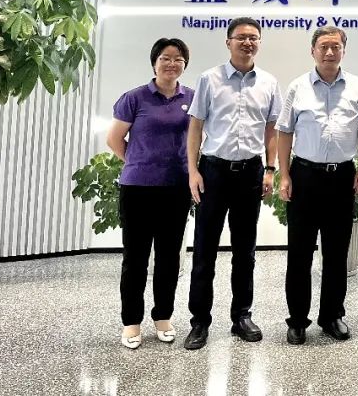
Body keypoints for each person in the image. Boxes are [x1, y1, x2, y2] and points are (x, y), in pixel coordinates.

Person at [183, 17, 280, 351]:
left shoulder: (269, 82)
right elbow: (196, 127)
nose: (247, 43)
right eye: (241, 37)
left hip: (251, 172)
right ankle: (199, 321)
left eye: (253, 38)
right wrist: (193, 170)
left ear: (259, 43)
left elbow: (272, 129)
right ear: (228, 42)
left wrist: (270, 169)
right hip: (213, 171)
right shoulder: (209, 79)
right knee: (204, 249)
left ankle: (241, 316)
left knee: (245, 251)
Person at [277, 26, 358, 345]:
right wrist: (284, 175)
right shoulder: (298, 87)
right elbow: (284, 131)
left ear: (344, 50)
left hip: (342, 177)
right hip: (305, 177)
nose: (330, 52)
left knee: (336, 253)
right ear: (313, 51)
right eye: (323, 46)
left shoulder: (356, 86)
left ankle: (332, 316)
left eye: (336, 46)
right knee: (299, 253)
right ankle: (297, 320)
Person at [107, 37, 194, 349]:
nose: (171, 63)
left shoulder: (192, 98)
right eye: (165, 58)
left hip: (176, 188)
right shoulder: (135, 97)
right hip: (138, 189)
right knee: (136, 258)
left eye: (178, 59)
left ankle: (163, 317)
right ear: (154, 62)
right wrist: (138, 161)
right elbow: (114, 139)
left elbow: (197, 138)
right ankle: (131, 321)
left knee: (169, 258)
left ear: (184, 64)